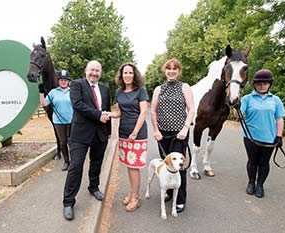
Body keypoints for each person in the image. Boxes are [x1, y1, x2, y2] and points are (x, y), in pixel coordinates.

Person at [62, 60, 111, 220]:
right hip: (80, 135)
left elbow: (107, 111)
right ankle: (68, 202)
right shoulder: (77, 84)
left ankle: (94, 187)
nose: (94, 73)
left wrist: (108, 132)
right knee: (75, 167)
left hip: (100, 135)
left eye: (97, 70)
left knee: (96, 163)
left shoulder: (105, 88)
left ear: (100, 72)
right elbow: (78, 105)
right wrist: (98, 115)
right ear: (86, 71)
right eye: (92, 70)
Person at [150, 58, 195, 213]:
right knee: (167, 164)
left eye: (175, 68)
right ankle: (169, 192)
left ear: (178, 71)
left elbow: (191, 110)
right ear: (165, 70)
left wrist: (185, 129)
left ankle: (181, 199)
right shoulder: (158, 89)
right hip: (163, 134)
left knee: (179, 166)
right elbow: (153, 111)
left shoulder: (185, 87)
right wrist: (156, 130)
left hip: (179, 134)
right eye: (169, 68)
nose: (171, 70)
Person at [108, 63, 149, 212]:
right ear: (121, 75)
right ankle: (132, 193)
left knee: (134, 167)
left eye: (130, 72)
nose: (127, 75)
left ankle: (135, 198)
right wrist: (110, 114)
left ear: (134, 74)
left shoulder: (141, 91)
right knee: (129, 165)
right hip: (123, 132)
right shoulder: (119, 92)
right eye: (125, 72)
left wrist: (134, 132)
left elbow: (143, 112)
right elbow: (120, 112)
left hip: (136, 134)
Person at [240, 69, 285, 198]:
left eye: (265, 83)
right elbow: (239, 116)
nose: (262, 85)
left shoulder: (275, 100)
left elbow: (279, 118)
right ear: (255, 84)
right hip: (251, 137)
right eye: (259, 83)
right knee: (252, 161)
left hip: (269, 137)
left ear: (269, 84)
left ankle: (260, 185)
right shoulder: (247, 99)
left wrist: (279, 135)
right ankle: (251, 183)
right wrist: (236, 106)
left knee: (264, 163)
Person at [40, 69, 73, 171]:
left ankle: (75, 161)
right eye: (61, 79)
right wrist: (41, 93)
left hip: (72, 121)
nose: (63, 81)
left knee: (72, 142)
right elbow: (45, 103)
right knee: (63, 142)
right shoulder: (53, 92)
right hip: (58, 122)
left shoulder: (72, 91)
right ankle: (67, 161)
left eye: (65, 80)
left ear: (68, 81)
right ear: (58, 81)